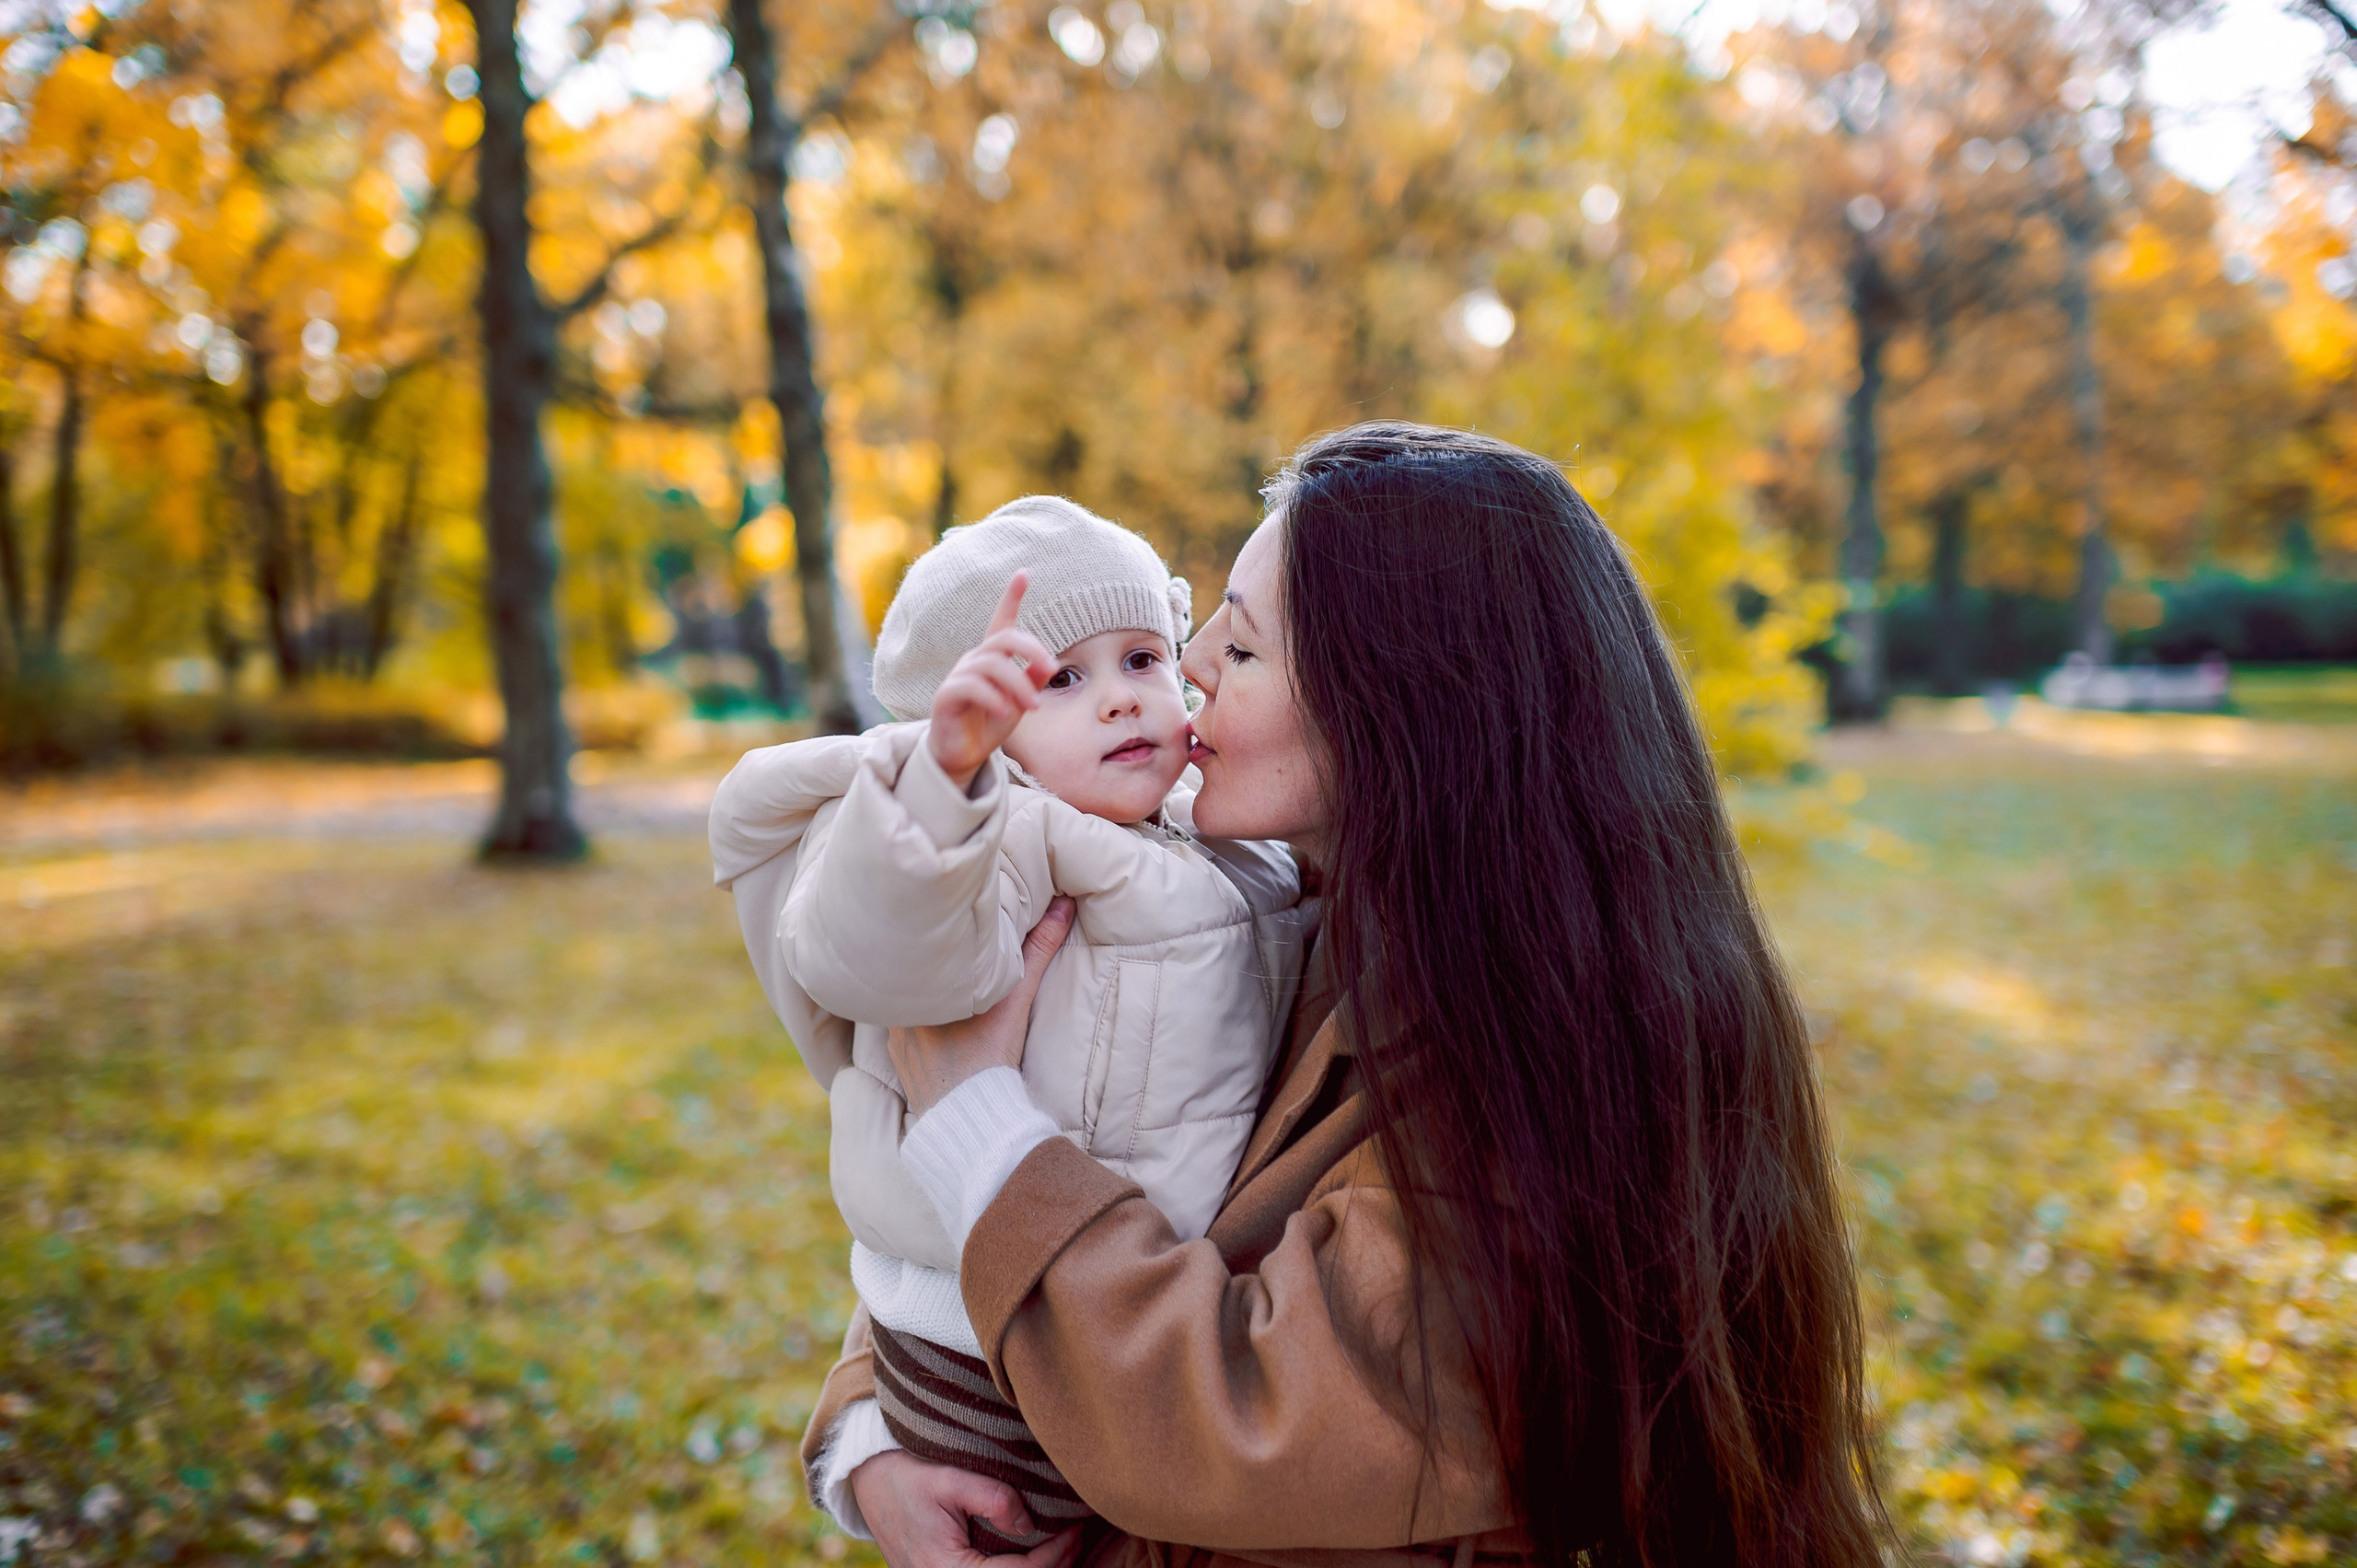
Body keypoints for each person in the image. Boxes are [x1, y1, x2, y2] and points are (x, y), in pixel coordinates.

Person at [812, 423, 1890, 1568]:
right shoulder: (1297, 916)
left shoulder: (1539, 1084)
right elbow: (1042, 1161)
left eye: (1244, 644)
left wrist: (973, 1111)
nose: (1186, 668)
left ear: (1405, 707)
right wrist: (873, 1440)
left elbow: (1246, 1421)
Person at [708, 496, 1315, 1550]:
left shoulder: (1224, 837)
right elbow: (889, 956)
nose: (1122, 701)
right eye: (1061, 681)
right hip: (988, 1336)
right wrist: (942, 789)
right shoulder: (1013, 839)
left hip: (1127, 1308)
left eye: (1141, 658)